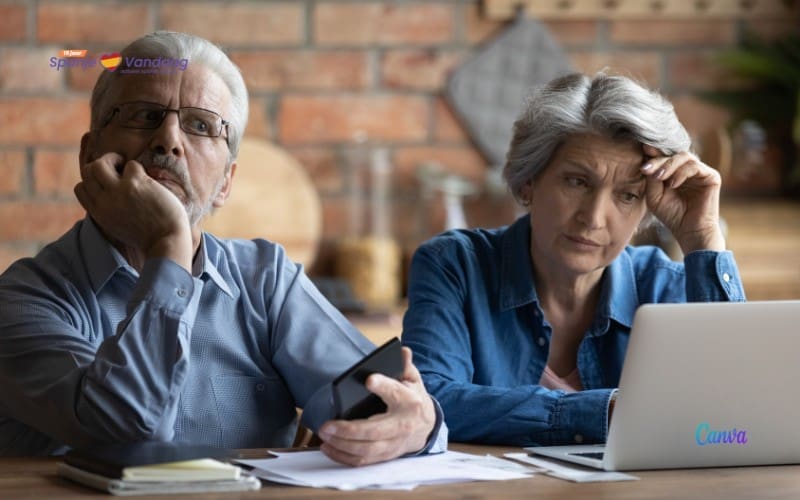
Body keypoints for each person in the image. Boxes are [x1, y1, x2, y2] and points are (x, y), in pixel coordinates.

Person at [0, 31, 446, 465]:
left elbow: (378, 402)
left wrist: (419, 423)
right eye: (143, 115)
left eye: (200, 125)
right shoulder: (24, 298)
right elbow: (125, 435)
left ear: (226, 182)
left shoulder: (265, 280)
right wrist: (168, 246)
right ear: (89, 154)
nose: (168, 140)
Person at [401, 72, 746, 447]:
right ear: (529, 181)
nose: (594, 218)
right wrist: (607, 412)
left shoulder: (664, 285)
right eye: (577, 182)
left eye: (627, 196)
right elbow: (429, 401)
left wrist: (703, 239)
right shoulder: (455, 265)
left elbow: (735, 417)